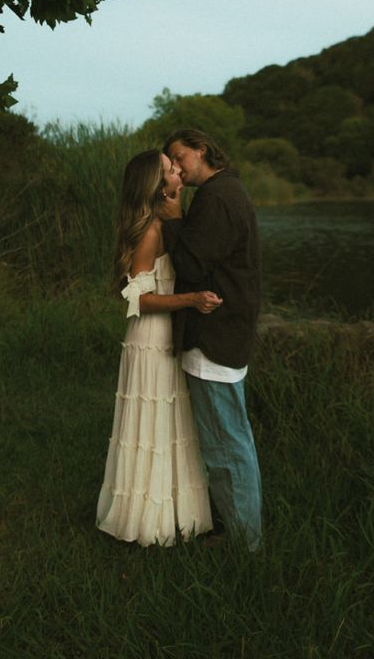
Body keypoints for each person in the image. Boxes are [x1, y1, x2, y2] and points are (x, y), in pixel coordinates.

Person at [96, 149, 221, 546]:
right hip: (148, 340)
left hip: (162, 337)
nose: (179, 172)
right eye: (171, 169)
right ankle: (148, 522)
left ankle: (170, 517)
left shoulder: (161, 224)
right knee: (151, 427)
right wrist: (190, 300)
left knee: (166, 426)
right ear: (157, 184)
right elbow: (135, 299)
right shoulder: (150, 231)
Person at [160, 128, 263, 551]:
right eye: (172, 161)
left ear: (202, 151)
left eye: (180, 156)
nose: (178, 166)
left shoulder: (217, 198)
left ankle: (244, 543)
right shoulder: (228, 190)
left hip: (216, 332)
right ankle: (242, 533)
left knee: (226, 444)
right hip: (228, 326)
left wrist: (173, 220)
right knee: (230, 437)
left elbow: (189, 264)